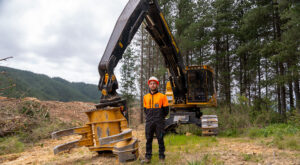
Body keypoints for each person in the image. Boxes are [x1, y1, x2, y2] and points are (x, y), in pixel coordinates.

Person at [142, 76, 169, 163]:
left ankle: (161, 157)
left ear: (157, 85)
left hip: (159, 122)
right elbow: (145, 110)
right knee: (148, 139)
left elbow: (166, 111)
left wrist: (160, 118)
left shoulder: (163, 96)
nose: (152, 85)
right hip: (149, 122)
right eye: (151, 83)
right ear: (149, 85)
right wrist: (150, 117)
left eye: (154, 83)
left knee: (160, 139)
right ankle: (148, 157)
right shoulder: (145, 97)